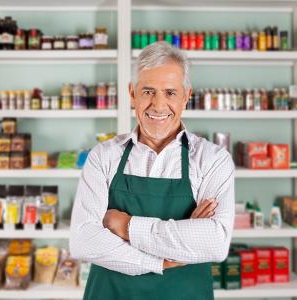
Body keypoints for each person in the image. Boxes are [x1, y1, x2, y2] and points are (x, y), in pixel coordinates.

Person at [70, 41, 235, 300]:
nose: (158, 105)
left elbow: (214, 242)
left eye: (170, 92)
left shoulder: (213, 160)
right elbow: (84, 241)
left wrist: (126, 226)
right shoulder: (103, 157)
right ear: (132, 93)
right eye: (148, 91)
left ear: (186, 96)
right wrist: (163, 260)